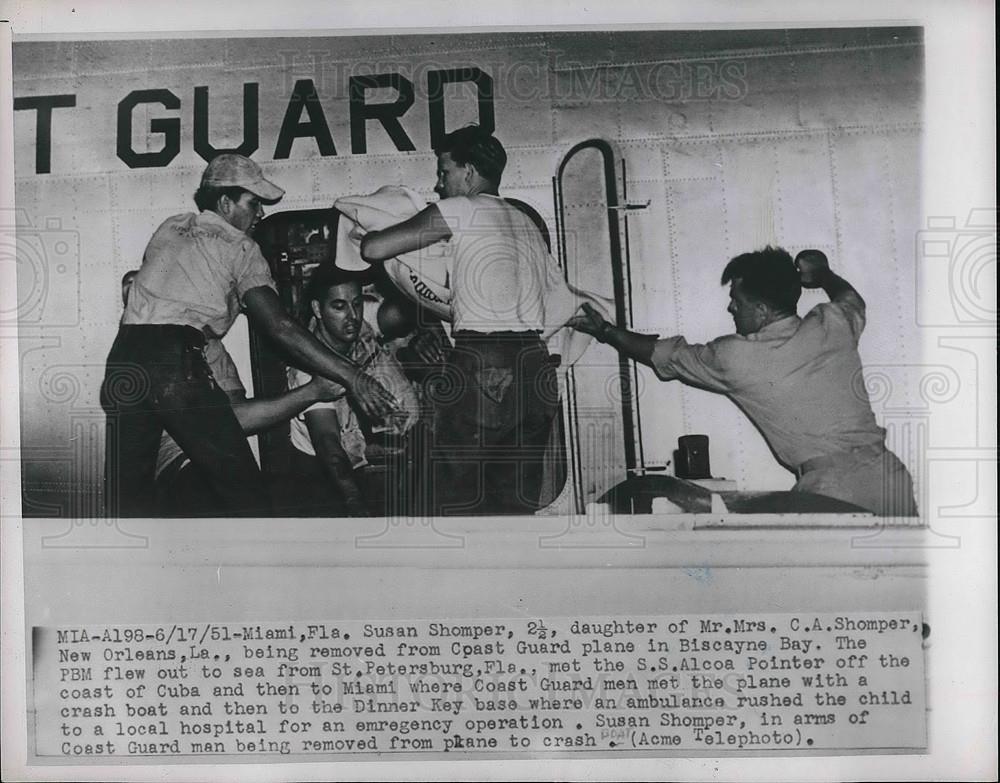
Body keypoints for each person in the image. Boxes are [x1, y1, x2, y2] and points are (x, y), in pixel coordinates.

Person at [101, 154, 399, 517]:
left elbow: (176, 289)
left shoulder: (172, 226)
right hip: (173, 364)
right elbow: (280, 326)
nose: (259, 215)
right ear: (225, 202)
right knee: (247, 497)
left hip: (124, 360)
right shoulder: (241, 247)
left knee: (127, 500)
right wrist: (354, 376)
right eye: (253, 204)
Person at [569, 246, 918, 517]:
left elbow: (664, 354)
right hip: (890, 478)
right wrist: (823, 274)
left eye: (737, 301)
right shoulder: (832, 323)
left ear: (762, 311)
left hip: (833, 491)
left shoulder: (735, 357)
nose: (730, 309)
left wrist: (605, 331)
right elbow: (851, 298)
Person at [358, 126, 560, 515]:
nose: (439, 184)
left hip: (484, 365)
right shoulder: (525, 222)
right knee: (514, 503)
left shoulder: (461, 208)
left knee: (458, 499)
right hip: (536, 367)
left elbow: (375, 247)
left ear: (468, 172)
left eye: (444, 172)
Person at [282, 266, 419, 517]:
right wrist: (354, 502)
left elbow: (401, 312)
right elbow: (328, 444)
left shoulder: (356, 322)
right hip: (320, 473)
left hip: (362, 448)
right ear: (317, 310)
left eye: (356, 303)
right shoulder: (306, 369)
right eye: (339, 306)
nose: (352, 316)